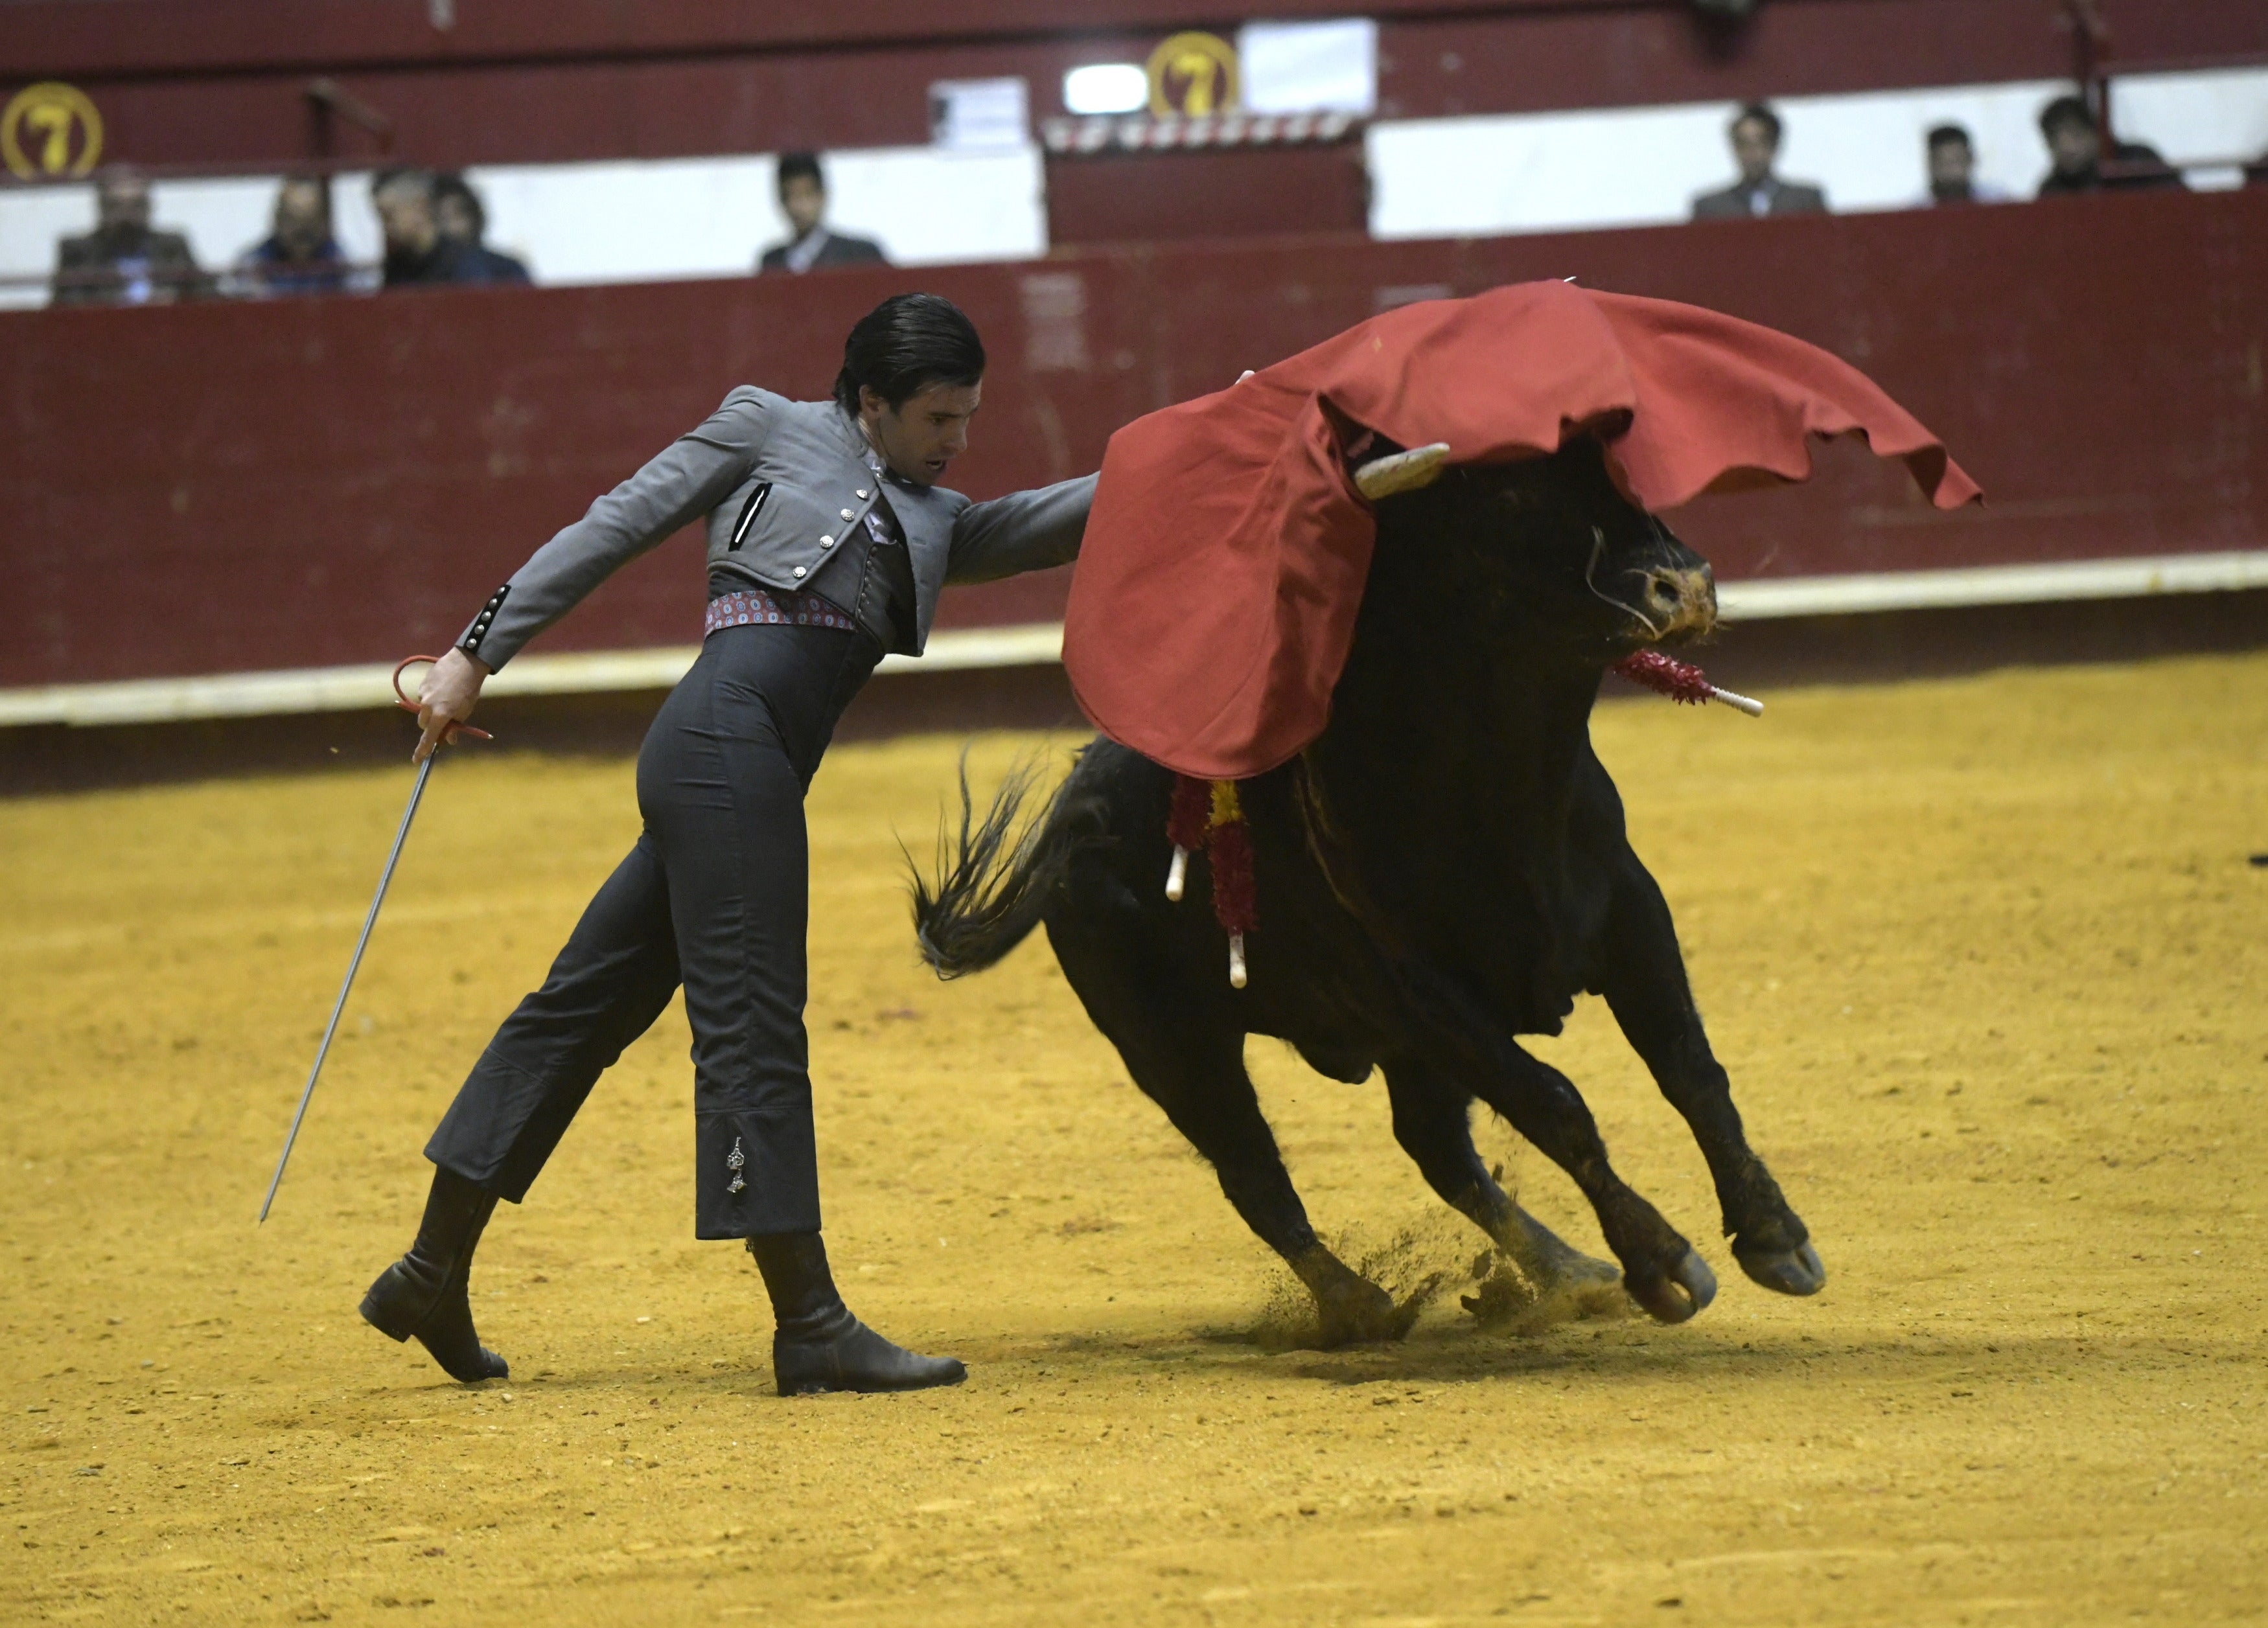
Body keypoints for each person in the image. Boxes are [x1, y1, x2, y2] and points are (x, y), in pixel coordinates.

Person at [361, 293, 1096, 1397]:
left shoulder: (941, 521)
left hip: (730, 768)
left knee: (584, 1002)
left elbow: (1059, 516)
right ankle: (807, 1321)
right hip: (721, 749)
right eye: (939, 418)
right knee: (751, 1020)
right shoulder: (762, 424)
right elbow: (614, 524)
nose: (957, 442)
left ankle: (428, 1268)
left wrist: (1199, 451)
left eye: (969, 418)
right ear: (872, 401)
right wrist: (478, 648)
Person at [52, 166, 213, 306]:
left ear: (149, 207)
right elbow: (68, 306)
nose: (126, 216)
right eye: (116, 206)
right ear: (102, 209)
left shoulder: (172, 247)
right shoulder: (79, 252)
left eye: (136, 205)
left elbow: (208, 297)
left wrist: (171, 304)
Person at [373, 168, 527, 288]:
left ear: (420, 207)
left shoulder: (466, 266)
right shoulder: (398, 268)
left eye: (389, 216)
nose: (386, 226)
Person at [1691, 102, 1827, 220]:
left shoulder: (1806, 202)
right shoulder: (1711, 208)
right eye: (1743, 144)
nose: (1752, 154)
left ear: (1774, 145)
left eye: (1759, 143)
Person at [758, 152, 888, 274]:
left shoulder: (862, 256)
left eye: (807, 194)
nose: (799, 206)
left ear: (823, 195)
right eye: (790, 196)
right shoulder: (772, 263)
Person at [2035, 95, 2183, 197]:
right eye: (2054, 140)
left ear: (2095, 133)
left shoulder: (2137, 163)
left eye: (2075, 135)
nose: (2067, 148)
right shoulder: (2053, 190)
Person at [233, 175, 354, 297]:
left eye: (310, 221)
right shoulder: (255, 263)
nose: (302, 229)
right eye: (293, 220)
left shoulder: (339, 262)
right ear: (278, 220)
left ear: (323, 222)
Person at [431, 170, 533, 284]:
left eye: (458, 215)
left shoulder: (508, 270)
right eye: (440, 218)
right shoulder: (425, 276)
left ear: (474, 216)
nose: (451, 226)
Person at [1921, 124, 2008, 207]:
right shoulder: (1917, 210)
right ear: (1930, 164)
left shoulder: (1996, 202)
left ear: (1970, 160)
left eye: (1957, 161)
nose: (1950, 169)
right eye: (1942, 162)